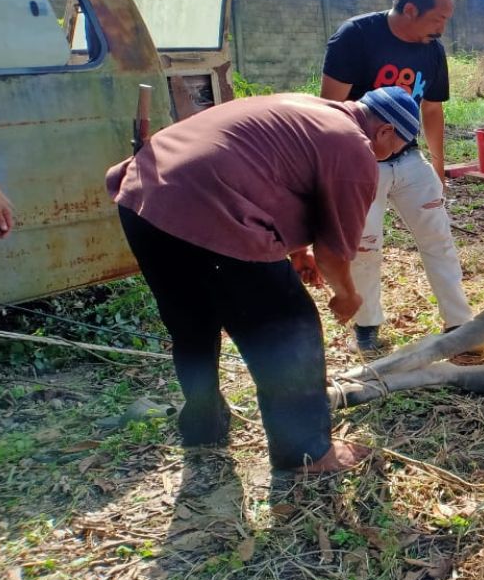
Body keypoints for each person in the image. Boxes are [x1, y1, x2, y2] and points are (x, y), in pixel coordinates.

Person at [106, 87, 421, 473]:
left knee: (193, 323)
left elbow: (263, 173)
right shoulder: (354, 146)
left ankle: (203, 426)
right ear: (385, 131)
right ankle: (305, 451)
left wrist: (295, 251)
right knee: (290, 328)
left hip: (144, 197)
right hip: (206, 207)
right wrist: (347, 295)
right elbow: (335, 253)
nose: (390, 156)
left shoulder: (308, 107)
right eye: (396, 148)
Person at [321, 0, 474, 351]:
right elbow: (330, 109)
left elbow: (433, 110)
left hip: (408, 160)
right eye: (438, 18)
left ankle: (460, 324)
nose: (442, 28)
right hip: (361, 164)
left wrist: (437, 164)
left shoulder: (432, 49)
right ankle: (367, 324)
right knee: (365, 245)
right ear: (410, 9)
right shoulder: (356, 37)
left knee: (438, 237)